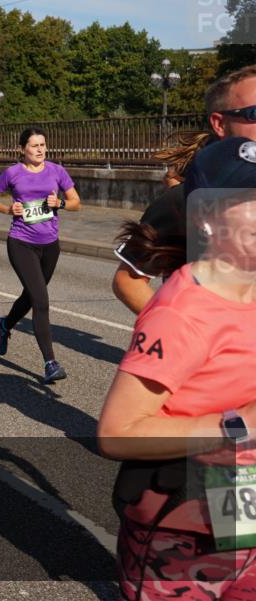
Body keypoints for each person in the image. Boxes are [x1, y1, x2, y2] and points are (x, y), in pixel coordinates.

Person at [97, 136, 256, 601]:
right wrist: (241, 425)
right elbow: (116, 432)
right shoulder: (181, 314)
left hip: (237, 496)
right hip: (181, 520)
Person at [113, 64, 256, 313]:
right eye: (254, 114)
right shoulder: (185, 200)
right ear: (219, 123)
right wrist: (184, 330)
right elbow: (128, 282)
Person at [0, 127, 80, 384]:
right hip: (21, 242)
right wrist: (8, 209)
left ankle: (4, 325)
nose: (40, 149)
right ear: (22, 149)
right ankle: (50, 363)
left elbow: (75, 202)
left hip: (50, 244)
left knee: (31, 295)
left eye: (43, 145)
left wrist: (58, 204)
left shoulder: (57, 171)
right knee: (41, 300)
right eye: (34, 145)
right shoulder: (12, 173)